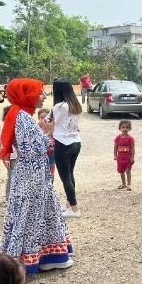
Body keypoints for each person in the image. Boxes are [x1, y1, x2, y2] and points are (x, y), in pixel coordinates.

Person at [0, 78, 73, 274]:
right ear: (27, 94)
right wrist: (49, 134)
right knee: (33, 215)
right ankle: (35, 258)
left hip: (34, 176)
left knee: (40, 213)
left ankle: (47, 256)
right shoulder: (22, 116)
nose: (43, 96)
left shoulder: (20, 114)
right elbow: (31, 149)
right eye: (39, 92)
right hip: (32, 177)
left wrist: (43, 133)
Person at [51, 78, 83, 218]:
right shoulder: (74, 103)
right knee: (70, 175)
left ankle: (75, 209)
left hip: (63, 144)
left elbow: (49, 121)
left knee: (65, 178)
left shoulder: (60, 106)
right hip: (75, 143)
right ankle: (70, 206)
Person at [114, 120, 135, 191]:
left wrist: (132, 157)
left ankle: (129, 184)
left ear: (129, 129)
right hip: (120, 159)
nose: (125, 129)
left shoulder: (130, 138)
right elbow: (115, 147)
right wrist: (115, 155)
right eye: (123, 127)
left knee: (128, 171)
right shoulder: (118, 138)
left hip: (128, 159)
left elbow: (132, 148)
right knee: (121, 171)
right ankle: (123, 184)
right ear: (120, 128)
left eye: (127, 127)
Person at [2, 105, 17, 200]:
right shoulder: (7, 128)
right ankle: (9, 198)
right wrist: (6, 157)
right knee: (11, 177)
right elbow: (4, 144)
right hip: (12, 157)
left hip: (20, 156)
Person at [37, 108, 56, 181]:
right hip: (40, 154)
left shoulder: (53, 127)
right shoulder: (36, 128)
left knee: (51, 172)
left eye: (46, 117)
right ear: (38, 118)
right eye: (42, 117)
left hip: (51, 153)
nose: (44, 119)